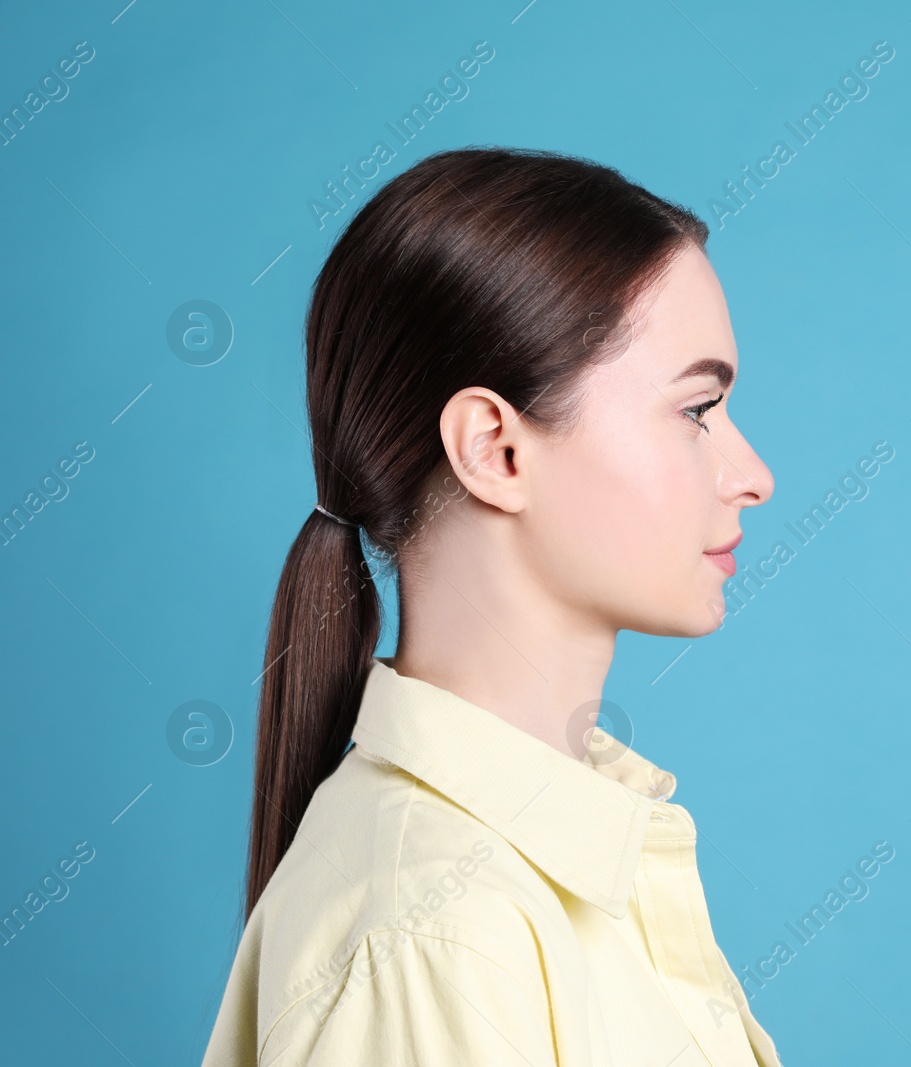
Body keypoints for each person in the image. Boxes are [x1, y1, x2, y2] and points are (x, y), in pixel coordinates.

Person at [200, 147, 780, 1066]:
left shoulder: (551, 871)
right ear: (496, 450)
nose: (753, 477)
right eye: (697, 409)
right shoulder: (435, 936)